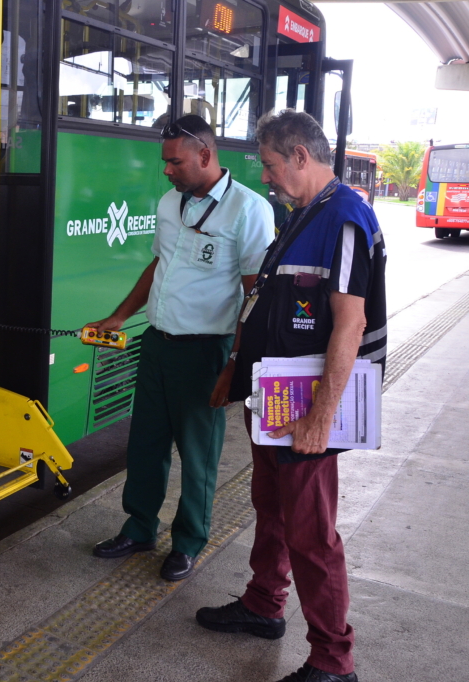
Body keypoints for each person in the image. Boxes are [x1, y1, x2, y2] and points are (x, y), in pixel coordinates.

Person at [196, 110, 387, 682]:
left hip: (307, 408)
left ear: (301, 156)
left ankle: (333, 660)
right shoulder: (303, 215)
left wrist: (321, 417)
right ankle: (264, 604)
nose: (266, 176)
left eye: (271, 164)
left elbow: (349, 324)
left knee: (312, 534)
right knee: (271, 507)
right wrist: (237, 367)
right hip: (272, 398)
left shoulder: (345, 219)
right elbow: (264, 302)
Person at [88, 115, 275, 581]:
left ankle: (189, 540)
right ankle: (139, 528)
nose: (167, 170)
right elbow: (160, 264)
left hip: (206, 351)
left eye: (175, 162)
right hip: (157, 342)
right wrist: (120, 315)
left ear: (205, 155)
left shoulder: (248, 209)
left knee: (198, 455)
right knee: (145, 444)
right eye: (165, 161)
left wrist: (235, 362)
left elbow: (254, 295)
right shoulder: (170, 203)